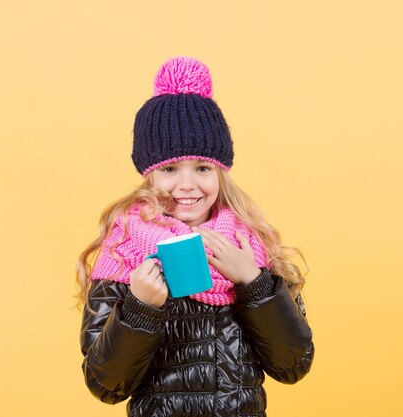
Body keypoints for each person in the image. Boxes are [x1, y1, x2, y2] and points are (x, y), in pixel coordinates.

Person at [76, 56, 314, 417]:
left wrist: (253, 282)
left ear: (221, 172)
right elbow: (105, 385)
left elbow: (293, 365)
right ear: (150, 175)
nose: (187, 185)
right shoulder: (123, 251)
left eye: (202, 168)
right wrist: (140, 307)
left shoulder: (251, 247)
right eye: (170, 169)